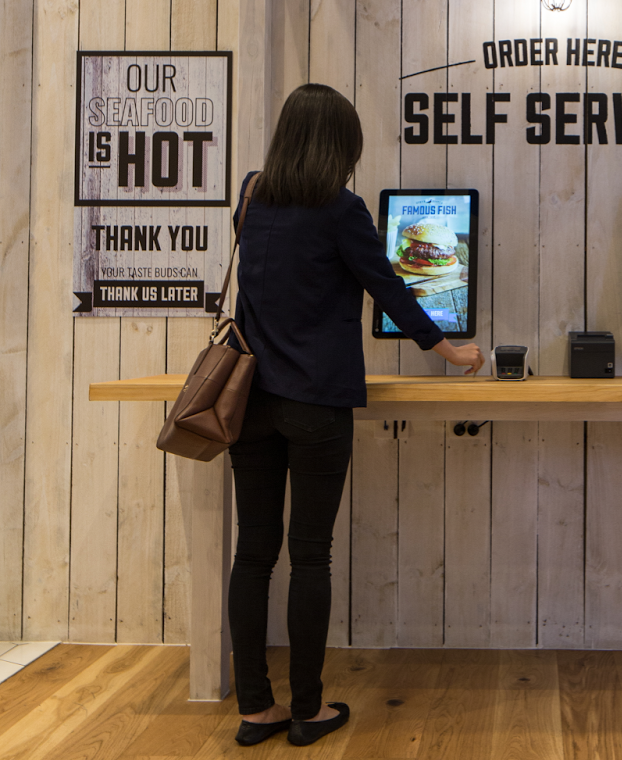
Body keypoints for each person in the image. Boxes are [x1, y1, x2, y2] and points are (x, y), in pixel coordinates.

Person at [226, 83, 484, 748]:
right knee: (311, 556)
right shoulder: (340, 210)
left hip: (249, 402)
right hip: (315, 401)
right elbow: (389, 286)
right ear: (341, 144)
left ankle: (256, 709)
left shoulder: (252, 194)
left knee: (253, 554)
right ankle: (307, 710)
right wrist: (448, 349)